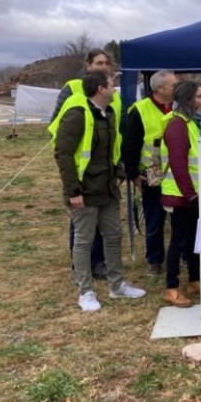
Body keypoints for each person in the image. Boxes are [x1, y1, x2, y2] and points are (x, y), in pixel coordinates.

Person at [50, 70, 146, 312]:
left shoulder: (110, 113)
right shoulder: (77, 115)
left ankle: (117, 285)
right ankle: (85, 291)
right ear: (101, 89)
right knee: (83, 241)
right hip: (84, 189)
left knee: (113, 236)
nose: (115, 88)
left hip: (107, 188)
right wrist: (73, 191)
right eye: (112, 84)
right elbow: (63, 154)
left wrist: (120, 174)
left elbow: (116, 149)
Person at [49, 49, 119, 279]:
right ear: (88, 65)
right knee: (83, 228)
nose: (103, 66)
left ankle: (99, 264)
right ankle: (81, 268)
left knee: (106, 228)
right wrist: (71, 182)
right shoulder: (72, 90)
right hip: (82, 173)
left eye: (106, 63)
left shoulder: (112, 97)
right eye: (98, 62)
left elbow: (118, 133)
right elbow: (57, 127)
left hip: (106, 172)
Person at [160, 80, 201, 307]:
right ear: (187, 99)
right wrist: (190, 194)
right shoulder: (177, 125)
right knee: (178, 242)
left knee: (195, 239)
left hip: (193, 194)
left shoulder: (193, 123)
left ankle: (194, 280)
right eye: (199, 97)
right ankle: (171, 287)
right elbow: (178, 164)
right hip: (180, 195)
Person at [122, 70, 177, 276]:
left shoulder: (180, 106)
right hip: (152, 172)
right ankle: (155, 260)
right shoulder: (139, 110)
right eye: (173, 85)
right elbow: (131, 145)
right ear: (160, 88)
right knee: (154, 216)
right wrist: (133, 173)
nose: (176, 88)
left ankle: (181, 254)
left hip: (179, 170)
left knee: (180, 216)